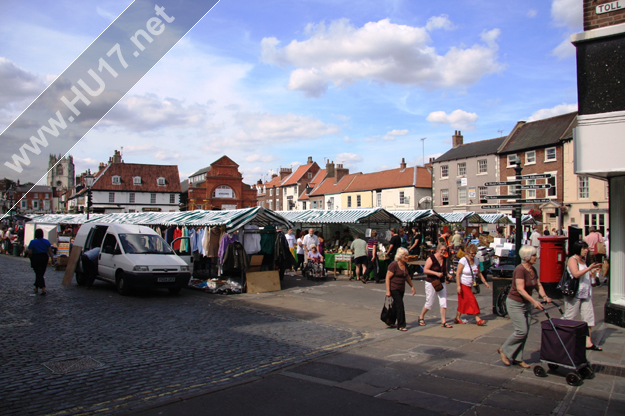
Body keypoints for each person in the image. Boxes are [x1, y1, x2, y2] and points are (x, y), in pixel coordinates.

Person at [498, 245, 551, 369]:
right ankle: (504, 350)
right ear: (526, 257)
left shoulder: (532, 269)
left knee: (525, 333)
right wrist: (534, 302)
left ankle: (517, 358)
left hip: (526, 304)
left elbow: (538, 284)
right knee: (521, 330)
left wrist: (544, 296)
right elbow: (520, 289)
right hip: (515, 303)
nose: (536, 257)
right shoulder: (520, 269)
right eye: (533, 255)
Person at [563, 241, 603, 351]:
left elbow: (584, 274)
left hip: (586, 292)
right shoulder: (572, 259)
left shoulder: (583, 260)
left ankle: (588, 342)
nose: (586, 250)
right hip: (575, 293)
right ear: (578, 249)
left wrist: (592, 271)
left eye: (586, 248)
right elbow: (575, 274)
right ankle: (563, 338)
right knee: (570, 316)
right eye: (584, 248)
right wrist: (589, 269)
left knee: (588, 317)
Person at [454, 244, 491, 325]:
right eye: (471, 253)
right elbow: (458, 273)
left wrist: (485, 282)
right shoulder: (463, 260)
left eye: (474, 253)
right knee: (472, 300)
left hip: (470, 284)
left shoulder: (476, 260)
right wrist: (458, 286)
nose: (473, 255)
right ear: (467, 252)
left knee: (463, 302)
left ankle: (457, 317)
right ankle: (478, 319)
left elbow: (478, 273)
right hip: (463, 284)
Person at [420, 244, 452, 328]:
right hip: (431, 282)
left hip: (441, 282)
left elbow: (444, 271)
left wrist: (448, 275)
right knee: (429, 302)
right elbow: (425, 270)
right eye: (442, 250)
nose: (443, 251)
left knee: (443, 301)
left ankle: (444, 322)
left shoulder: (444, 259)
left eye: (445, 250)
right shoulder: (431, 258)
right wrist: (436, 273)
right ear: (437, 250)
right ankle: (421, 317)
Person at [385, 248, 416, 331]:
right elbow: (387, 278)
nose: (407, 257)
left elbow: (407, 276)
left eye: (407, 255)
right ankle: (401, 325)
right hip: (394, 288)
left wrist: (412, 286)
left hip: (401, 288)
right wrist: (388, 291)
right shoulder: (394, 265)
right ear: (400, 256)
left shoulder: (405, 265)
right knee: (400, 306)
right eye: (405, 255)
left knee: (395, 305)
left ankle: (390, 321)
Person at [25, 228, 54, 295]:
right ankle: (36, 287)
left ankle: (43, 288)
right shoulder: (46, 241)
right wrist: (52, 259)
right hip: (44, 257)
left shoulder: (33, 242)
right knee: (41, 273)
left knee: (38, 273)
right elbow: (50, 251)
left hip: (36, 258)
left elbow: (29, 252)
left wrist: (30, 257)